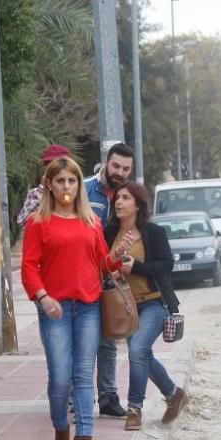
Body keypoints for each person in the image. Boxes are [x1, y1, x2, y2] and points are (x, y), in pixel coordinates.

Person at [21, 157, 133, 440]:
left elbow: (103, 264)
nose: (66, 187)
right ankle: (60, 427)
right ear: (50, 185)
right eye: (60, 181)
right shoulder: (38, 222)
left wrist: (118, 254)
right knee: (59, 378)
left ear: (79, 185)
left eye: (72, 181)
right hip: (54, 308)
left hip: (88, 306)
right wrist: (42, 297)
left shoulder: (90, 221)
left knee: (83, 376)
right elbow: (29, 267)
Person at [102, 182, 189, 430]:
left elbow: (165, 265)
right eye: (117, 198)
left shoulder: (154, 232)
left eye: (125, 198)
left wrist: (136, 267)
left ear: (138, 205)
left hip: (154, 302)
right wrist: (115, 266)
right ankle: (173, 394)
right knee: (143, 355)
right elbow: (102, 264)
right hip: (124, 306)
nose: (118, 202)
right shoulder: (109, 233)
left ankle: (134, 409)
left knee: (138, 349)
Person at [87, 143, 136, 418]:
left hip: (110, 275)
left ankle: (107, 398)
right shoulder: (82, 190)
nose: (119, 172)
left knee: (109, 340)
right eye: (116, 166)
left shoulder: (125, 194)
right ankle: (76, 396)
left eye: (126, 169)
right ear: (107, 161)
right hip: (81, 277)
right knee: (79, 342)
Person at [16, 144, 73, 229]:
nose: (53, 169)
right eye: (48, 165)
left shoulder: (75, 191)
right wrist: (43, 189)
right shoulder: (35, 193)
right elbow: (22, 222)